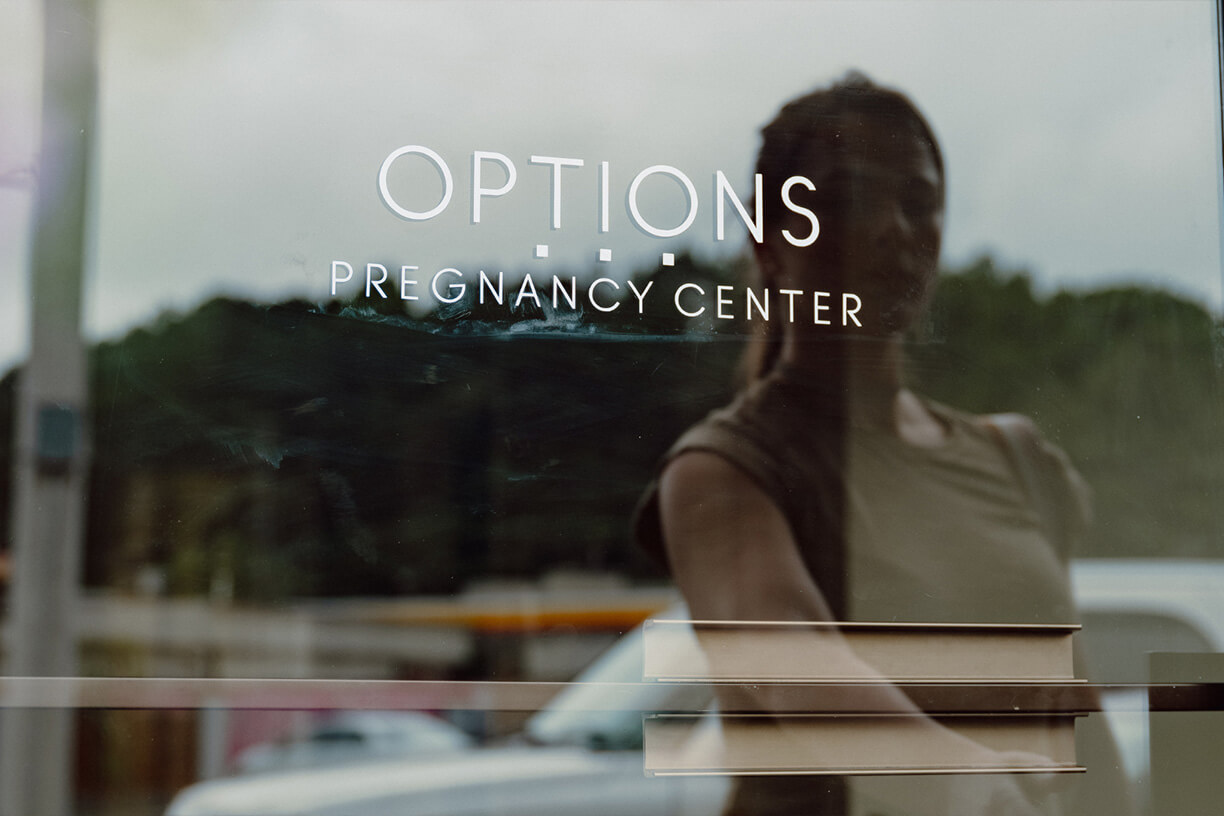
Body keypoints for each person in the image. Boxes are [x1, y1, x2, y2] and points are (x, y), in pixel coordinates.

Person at [634, 73, 1133, 816]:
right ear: (770, 243)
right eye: (845, 200)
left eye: (920, 202)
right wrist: (967, 782)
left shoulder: (1018, 460)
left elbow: (1079, 721)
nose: (894, 228)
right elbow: (791, 665)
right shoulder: (722, 470)